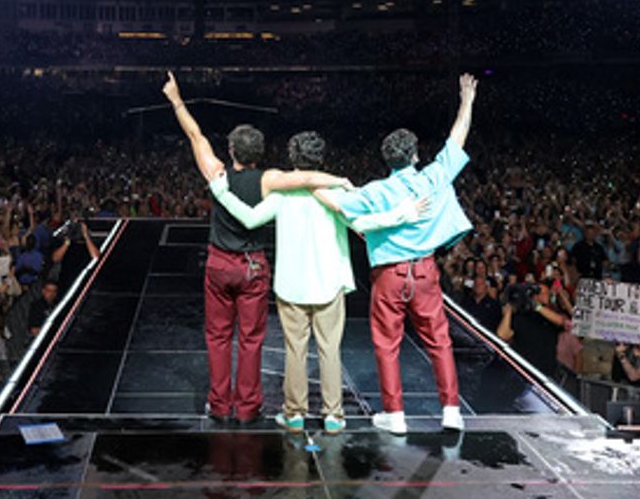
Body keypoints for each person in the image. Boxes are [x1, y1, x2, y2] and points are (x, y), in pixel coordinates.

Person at [206, 130, 427, 434]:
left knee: (295, 350)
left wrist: (221, 192)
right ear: (321, 160)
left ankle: (294, 414)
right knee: (329, 349)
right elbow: (363, 224)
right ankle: (333, 415)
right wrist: (403, 214)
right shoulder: (336, 195)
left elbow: (249, 218)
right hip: (328, 284)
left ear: (292, 160)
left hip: (292, 286)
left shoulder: (282, 196)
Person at [163, 72, 352, 425]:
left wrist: (176, 99)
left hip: (220, 266)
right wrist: (340, 180)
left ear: (232, 151)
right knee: (251, 339)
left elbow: (195, 134)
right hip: (253, 268)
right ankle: (248, 407)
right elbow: (308, 177)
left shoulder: (216, 172)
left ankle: (220, 405)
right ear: (260, 153)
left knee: (218, 337)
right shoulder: (271, 180)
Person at [313, 73, 478, 435]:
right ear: (416, 155)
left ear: (387, 160)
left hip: (389, 276)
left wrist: (313, 181)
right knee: (439, 341)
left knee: (387, 345)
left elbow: (334, 203)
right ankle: (451, 409)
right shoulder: (434, 177)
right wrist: (466, 100)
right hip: (425, 273)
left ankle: (395, 415)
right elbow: (457, 138)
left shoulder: (375, 191)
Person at [496, 282, 567, 378]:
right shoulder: (521, 315)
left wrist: (536, 306)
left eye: (545, 293)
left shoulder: (553, 313)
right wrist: (509, 310)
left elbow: (561, 321)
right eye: (538, 293)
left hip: (545, 372)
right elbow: (502, 335)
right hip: (523, 371)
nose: (541, 295)